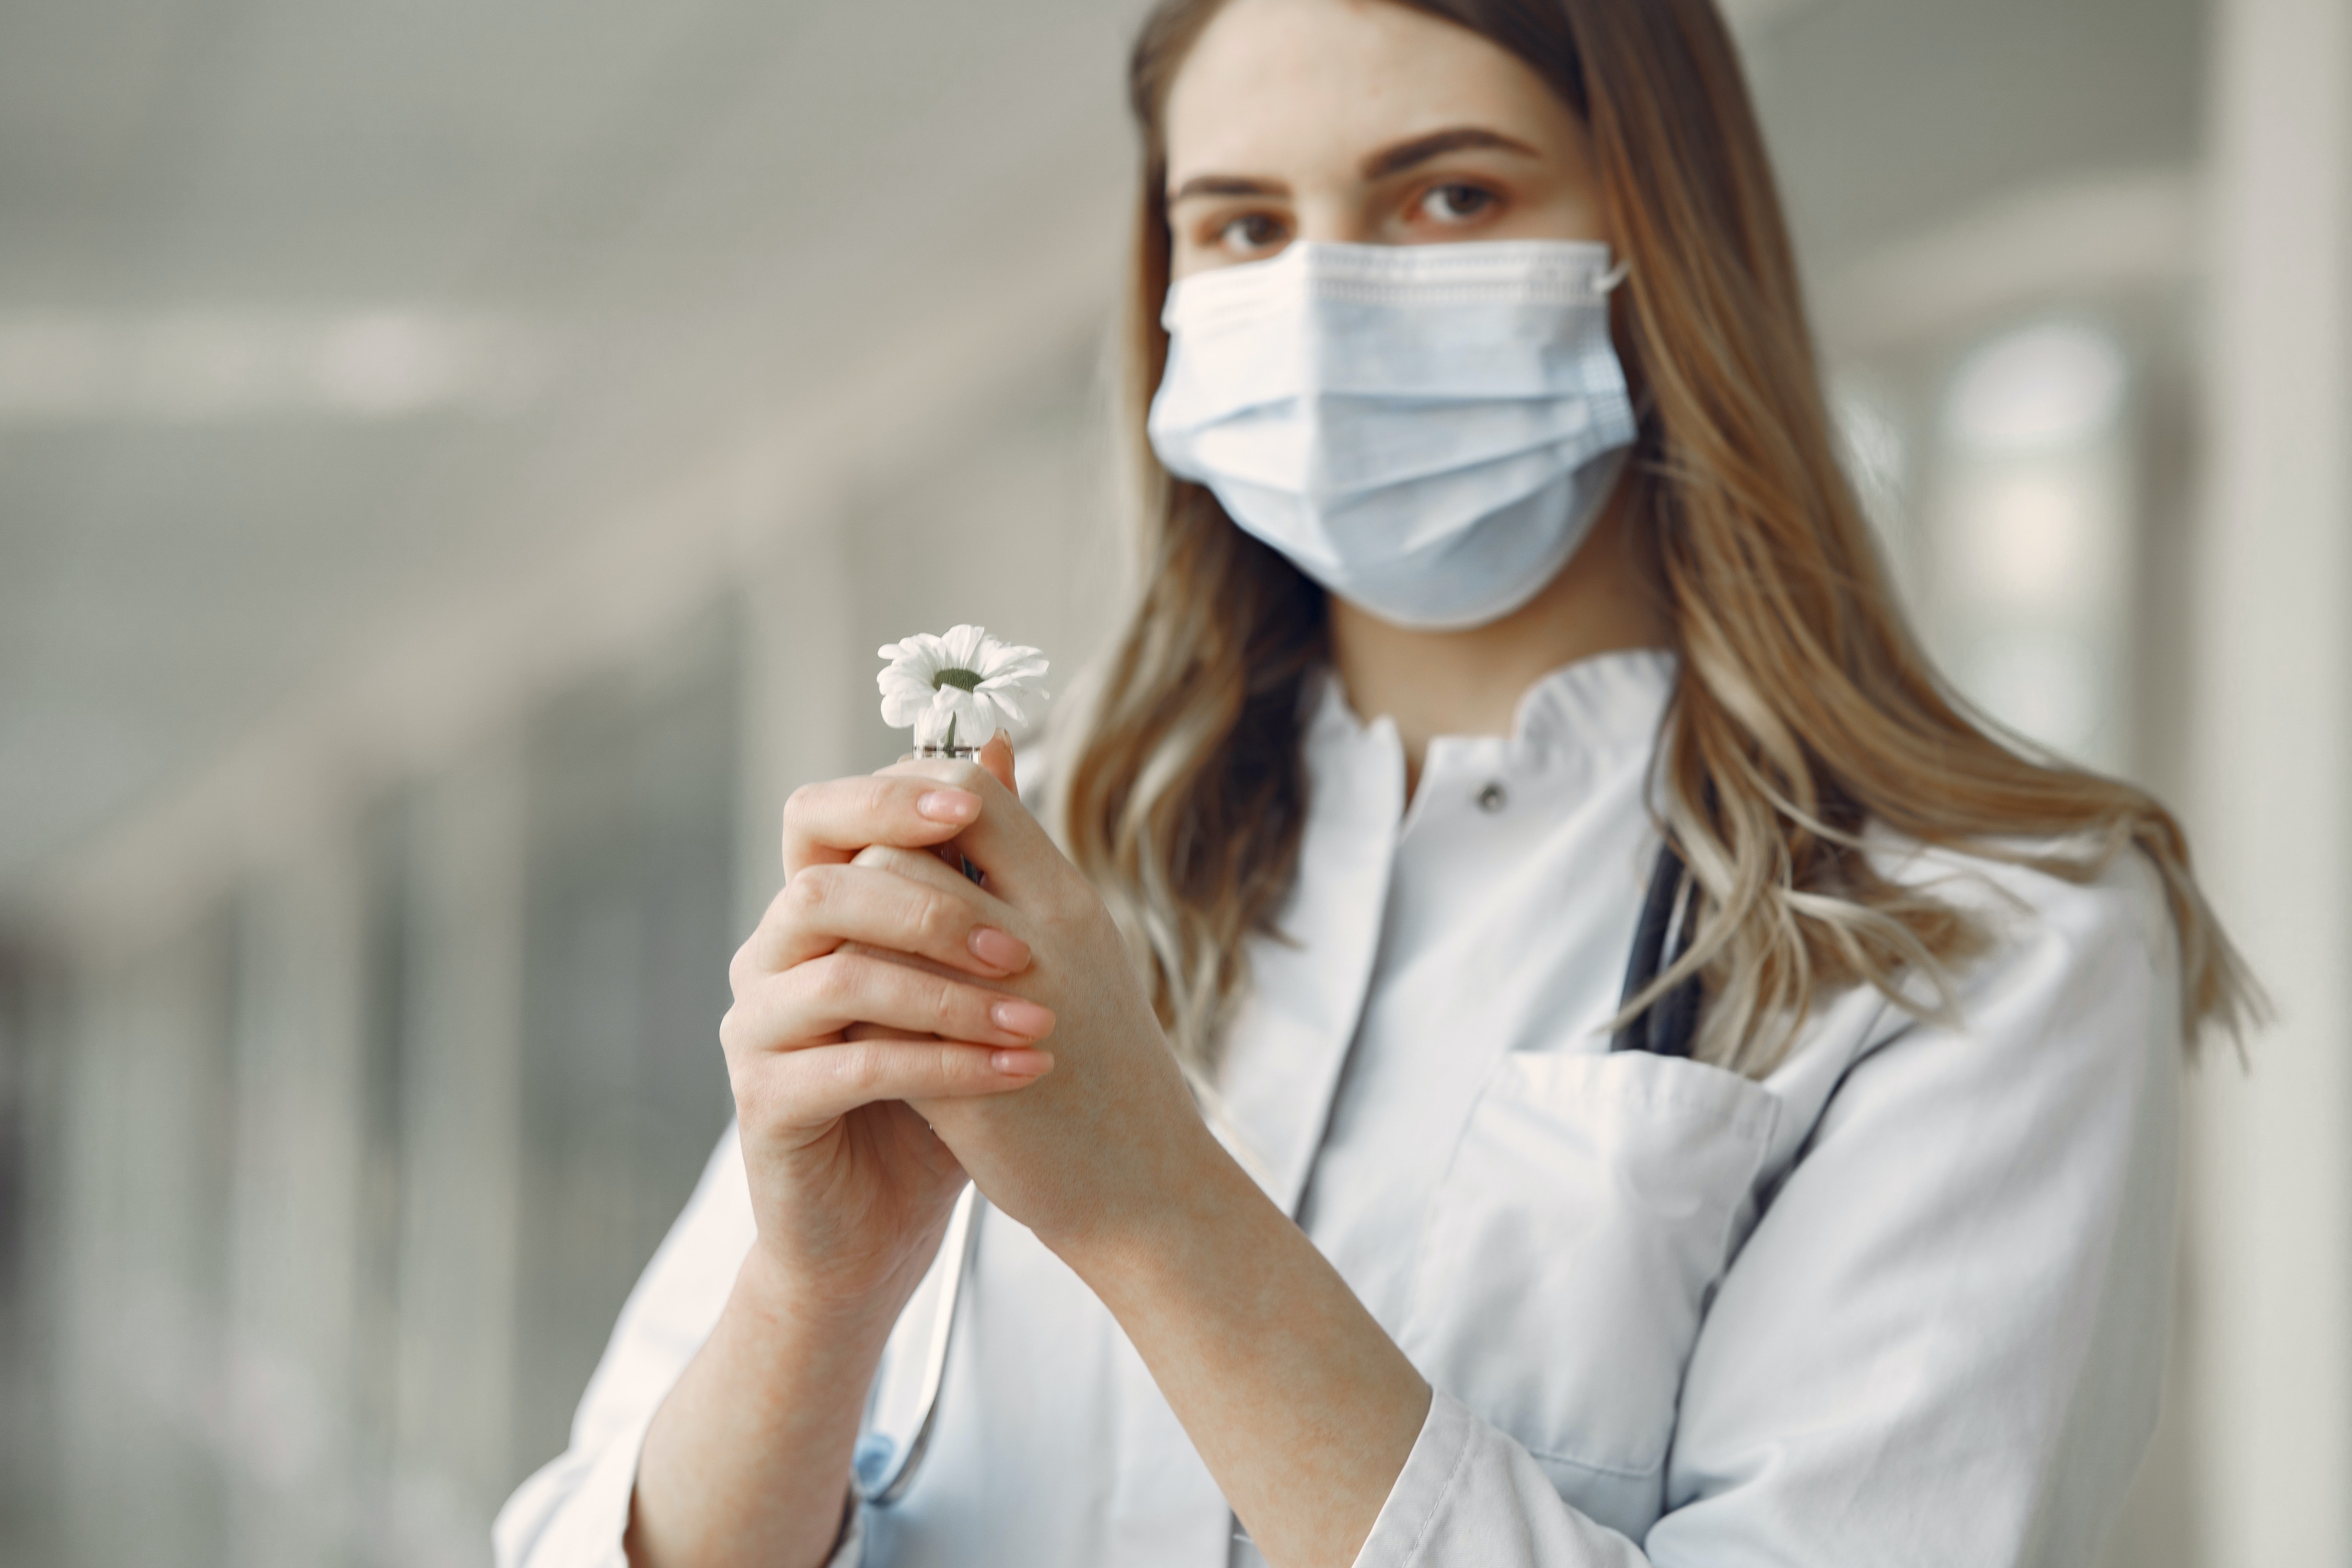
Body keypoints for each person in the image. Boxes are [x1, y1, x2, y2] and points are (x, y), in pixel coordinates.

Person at [495, 0, 2257, 1564]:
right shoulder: (1025, 858)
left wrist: (1156, 1207)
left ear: (1665, 243)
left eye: (1451, 197)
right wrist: (817, 1294)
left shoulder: (1989, 936)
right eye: (1243, 224)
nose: (1320, 297)